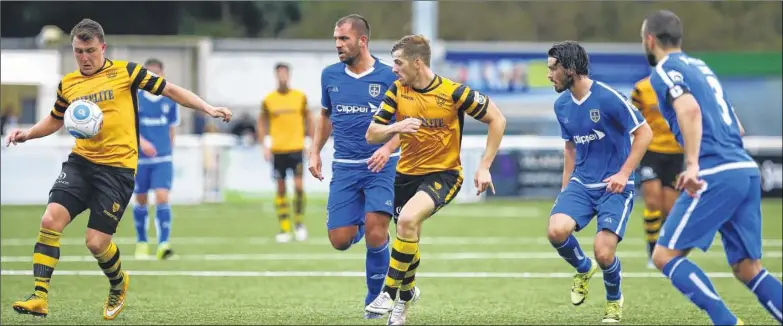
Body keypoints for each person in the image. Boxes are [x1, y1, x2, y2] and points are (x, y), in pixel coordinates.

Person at [5, 18, 232, 320]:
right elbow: (56, 118)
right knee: (50, 219)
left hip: (117, 170)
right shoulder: (69, 83)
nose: (84, 58)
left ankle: (118, 282)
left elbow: (171, 90)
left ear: (102, 47)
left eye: (89, 51)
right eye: (78, 52)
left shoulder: (127, 72)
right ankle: (39, 296)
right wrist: (28, 133)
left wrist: (208, 108)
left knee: (96, 242)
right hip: (81, 164)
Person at [643, 10, 782, 325]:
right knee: (748, 269)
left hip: (715, 171)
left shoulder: (665, 69)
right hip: (743, 168)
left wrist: (692, 164)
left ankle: (727, 322)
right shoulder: (702, 69)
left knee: (664, 255)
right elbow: (738, 125)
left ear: (650, 40)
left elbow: (689, 109)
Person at [363, 34, 507, 325]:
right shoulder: (396, 91)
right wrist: (398, 126)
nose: (394, 69)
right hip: (405, 176)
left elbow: (498, 119)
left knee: (406, 222)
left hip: (444, 174)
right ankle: (406, 298)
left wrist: (484, 166)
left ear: (417, 63)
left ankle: (388, 295)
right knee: (409, 236)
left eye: (398, 63)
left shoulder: (454, 93)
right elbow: (372, 133)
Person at [545, 41, 652, 323]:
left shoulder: (608, 98)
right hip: (582, 183)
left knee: (604, 253)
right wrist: (565, 187)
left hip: (614, 187)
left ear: (570, 68)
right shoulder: (561, 105)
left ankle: (614, 301)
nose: (549, 75)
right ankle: (582, 268)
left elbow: (644, 133)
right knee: (556, 230)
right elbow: (570, 147)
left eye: (553, 68)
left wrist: (624, 173)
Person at [308, 14, 400, 319]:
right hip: (345, 167)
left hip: (381, 167)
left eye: (343, 38)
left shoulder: (390, 77)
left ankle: (377, 297)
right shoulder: (330, 76)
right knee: (340, 240)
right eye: (335, 39)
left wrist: (387, 149)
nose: (338, 44)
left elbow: (407, 125)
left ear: (362, 40)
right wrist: (315, 152)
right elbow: (324, 116)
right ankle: (365, 221)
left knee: (377, 234)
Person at [630, 76, 683, 268]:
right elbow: (632, 118)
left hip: (677, 152)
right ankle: (652, 252)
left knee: (670, 208)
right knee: (652, 201)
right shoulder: (641, 88)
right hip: (651, 151)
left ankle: (666, 249)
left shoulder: (684, 86)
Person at [258, 62, 313, 243]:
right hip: (278, 150)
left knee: (298, 187)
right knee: (280, 189)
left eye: (285, 74)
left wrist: (309, 141)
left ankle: (299, 223)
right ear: (276, 76)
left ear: (289, 75)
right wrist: (265, 144)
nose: (282, 77)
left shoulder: (300, 97)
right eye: (279, 74)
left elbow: (309, 119)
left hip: (296, 148)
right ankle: (284, 228)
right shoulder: (269, 99)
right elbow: (262, 122)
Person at [133, 58, 180, 260]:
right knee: (141, 199)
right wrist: (141, 142)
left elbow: (171, 128)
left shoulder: (169, 100)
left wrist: (169, 150)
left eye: (156, 75)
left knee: (162, 197)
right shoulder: (135, 99)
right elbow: (128, 127)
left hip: (163, 158)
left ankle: (164, 244)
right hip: (140, 159)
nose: (153, 79)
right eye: (149, 75)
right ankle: (142, 242)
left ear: (162, 76)